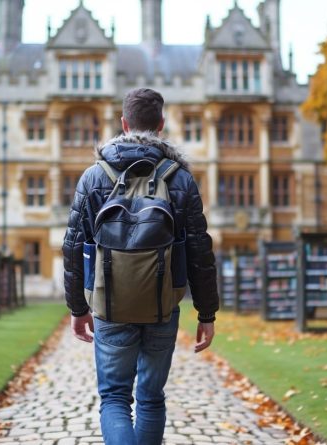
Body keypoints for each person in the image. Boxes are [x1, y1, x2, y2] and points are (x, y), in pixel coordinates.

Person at [62, 87, 219, 445]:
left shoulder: (94, 176)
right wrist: (206, 313)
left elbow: (72, 247)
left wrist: (77, 308)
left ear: (123, 123)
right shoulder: (179, 178)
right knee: (150, 397)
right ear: (161, 125)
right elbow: (199, 251)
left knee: (115, 397)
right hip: (163, 307)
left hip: (109, 305)